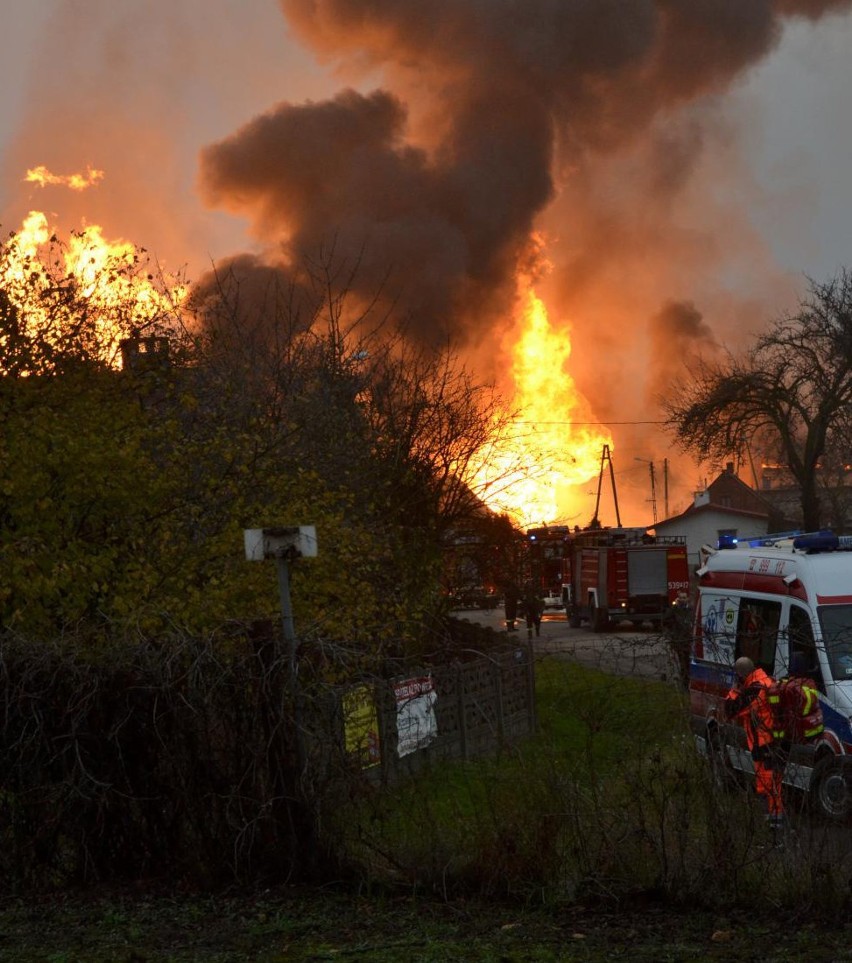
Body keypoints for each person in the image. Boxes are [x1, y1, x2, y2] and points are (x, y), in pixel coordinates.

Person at [724, 656, 785, 829]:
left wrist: (734, 691)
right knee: (770, 785)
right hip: (772, 741)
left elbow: (731, 710)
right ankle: (772, 823)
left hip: (765, 743)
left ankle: (775, 826)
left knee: (768, 787)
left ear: (741, 676)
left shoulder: (756, 689)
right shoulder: (765, 680)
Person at [769, 651, 824, 749]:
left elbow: (782, 714)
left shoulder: (787, 687)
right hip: (812, 733)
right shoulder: (810, 683)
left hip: (792, 738)